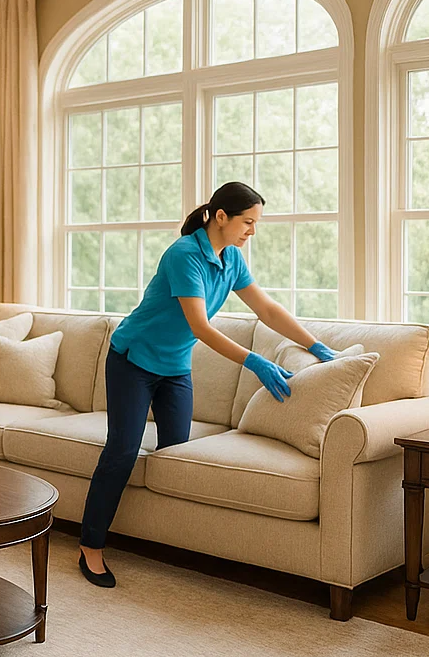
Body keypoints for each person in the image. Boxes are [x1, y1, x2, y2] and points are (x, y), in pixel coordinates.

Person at [75, 181, 340, 588]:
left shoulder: (230, 258)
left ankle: (163, 543)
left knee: (177, 456)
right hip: (133, 360)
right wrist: (256, 362)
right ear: (221, 217)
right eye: (248, 222)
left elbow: (266, 308)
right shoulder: (184, 256)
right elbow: (200, 326)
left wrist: (315, 344)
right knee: (123, 450)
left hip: (175, 368)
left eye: (256, 223)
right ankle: (90, 546)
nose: (252, 231)